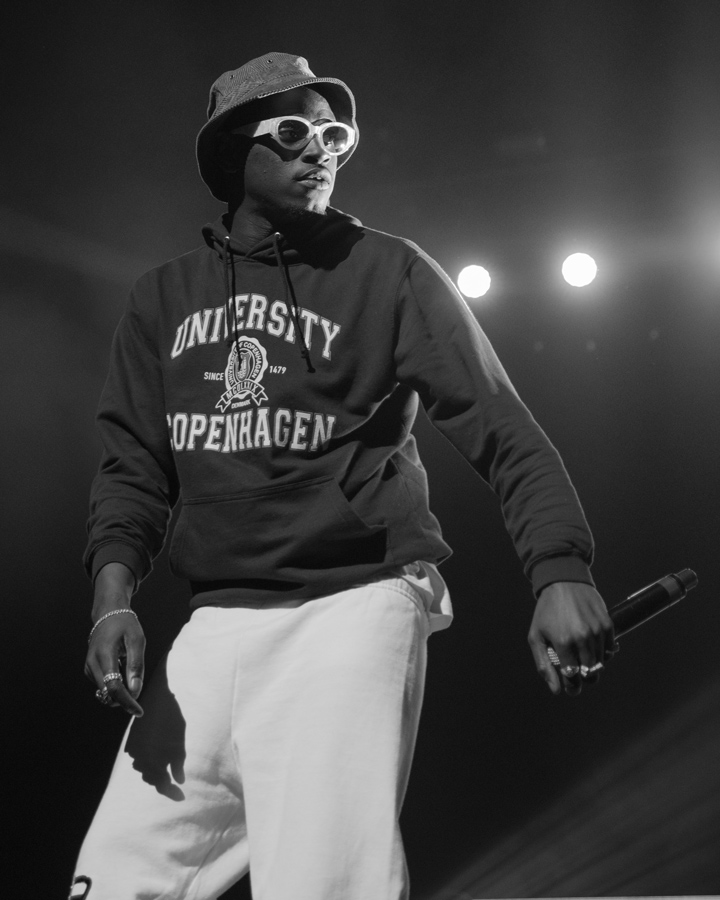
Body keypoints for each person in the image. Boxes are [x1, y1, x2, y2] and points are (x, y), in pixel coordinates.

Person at [70, 52, 615, 900]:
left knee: (323, 885)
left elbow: (502, 428)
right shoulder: (161, 299)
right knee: (112, 881)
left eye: (334, 133)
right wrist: (113, 602)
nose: (318, 148)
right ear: (230, 154)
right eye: (292, 131)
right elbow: (133, 472)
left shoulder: (391, 272)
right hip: (212, 626)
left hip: (352, 605)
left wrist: (561, 568)